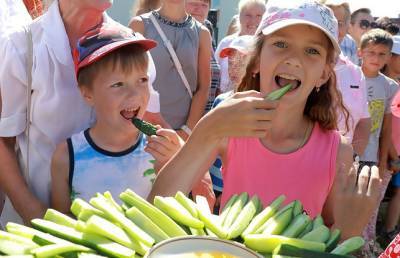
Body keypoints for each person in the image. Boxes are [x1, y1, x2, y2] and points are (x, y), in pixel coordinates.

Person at [149, 0, 383, 241]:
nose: (293, 60)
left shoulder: (337, 151)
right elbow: (156, 207)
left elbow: (333, 242)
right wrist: (207, 130)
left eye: (312, 51)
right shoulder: (229, 127)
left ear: (323, 74)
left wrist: (351, 229)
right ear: (258, 61)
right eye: (281, 44)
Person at [0, 0, 161, 226]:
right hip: (34, 231)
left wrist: (190, 157)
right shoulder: (21, 45)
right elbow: (3, 142)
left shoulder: (131, 44)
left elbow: (150, 119)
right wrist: (38, 217)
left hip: (119, 234)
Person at [51, 24, 182, 213]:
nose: (134, 94)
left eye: (142, 80)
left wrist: (170, 168)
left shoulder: (164, 152)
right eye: (118, 84)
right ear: (88, 94)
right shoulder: (66, 156)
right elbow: (59, 226)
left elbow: (176, 218)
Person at [129, 0, 212, 140]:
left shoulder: (202, 33)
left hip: (183, 131)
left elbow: (203, 87)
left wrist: (187, 131)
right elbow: (129, 79)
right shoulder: (140, 25)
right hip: (143, 129)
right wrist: (147, 126)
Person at [357, 28, 398, 256]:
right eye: (371, 52)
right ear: (361, 52)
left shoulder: (391, 87)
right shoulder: (349, 76)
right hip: (344, 154)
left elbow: (386, 128)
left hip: (370, 158)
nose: (376, 58)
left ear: (389, 56)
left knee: (368, 206)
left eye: (382, 54)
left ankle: (365, 246)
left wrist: (382, 161)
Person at [324, 0, 371, 156]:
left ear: (347, 27)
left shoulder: (356, 73)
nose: (333, 28)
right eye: (327, 20)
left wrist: (351, 158)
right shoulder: (299, 67)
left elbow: (364, 122)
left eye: (340, 23)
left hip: (342, 165)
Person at [215, 0, 265, 93]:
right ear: (239, 16)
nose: (253, 20)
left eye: (259, 15)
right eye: (248, 15)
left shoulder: (268, 46)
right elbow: (214, 74)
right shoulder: (226, 43)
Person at [380, 35, 400, 246]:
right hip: (385, 153)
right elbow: (384, 128)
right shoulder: (385, 86)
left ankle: (389, 230)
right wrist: (393, 155)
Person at [185, 0, 221, 113]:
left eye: (204, 5)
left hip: (206, 114)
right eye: (194, 3)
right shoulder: (177, 28)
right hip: (182, 116)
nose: (199, 9)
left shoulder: (207, 27)